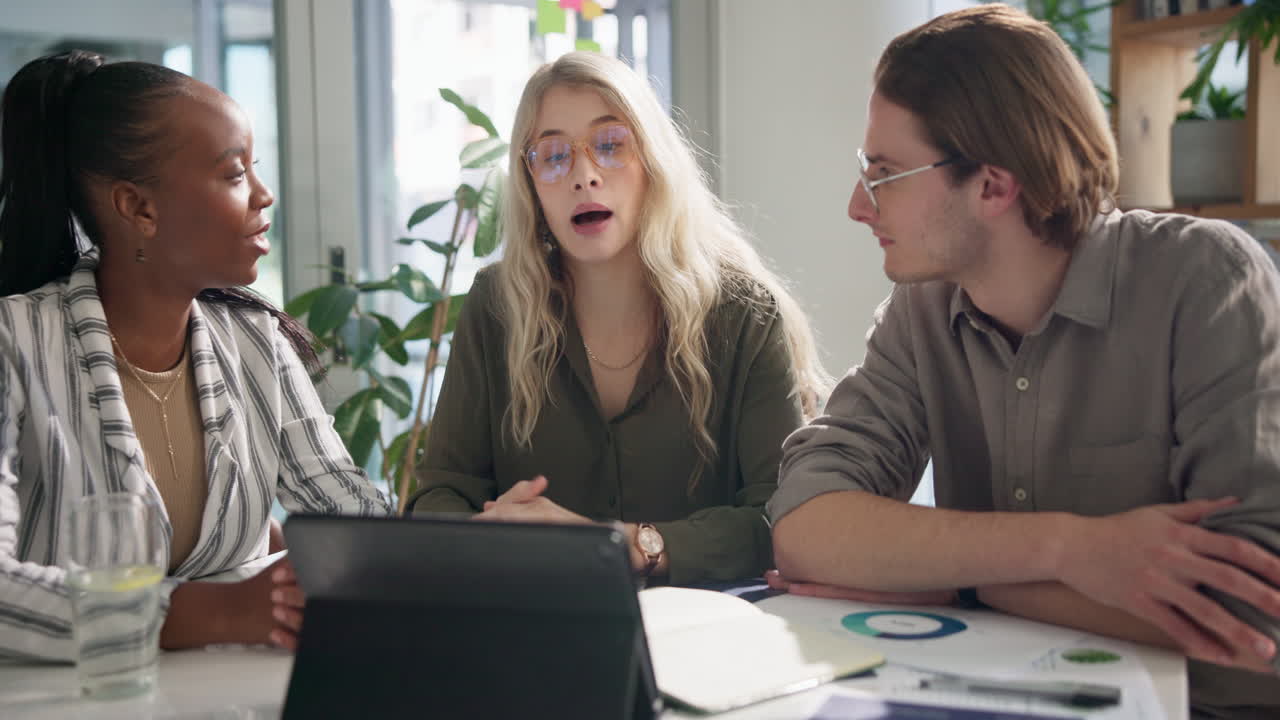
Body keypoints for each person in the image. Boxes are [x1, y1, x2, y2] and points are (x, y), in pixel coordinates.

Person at [767, 5, 1280, 717]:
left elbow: (1252, 615)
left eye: (884, 174)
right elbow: (807, 526)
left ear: (992, 186)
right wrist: (1072, 551)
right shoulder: (923, 311)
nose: (858, 205)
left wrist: (959, 584)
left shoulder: (1207, 281)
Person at [0, 51, 390, 661]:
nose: (264, 196)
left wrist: (460, 546)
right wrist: (218, 612)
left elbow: (356, 520)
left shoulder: (256, 340)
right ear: (137, 207)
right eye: (235, 175)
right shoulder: (14, 341)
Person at [409, 51, 827, 585]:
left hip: (713, 639)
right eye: (554, 156)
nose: (584, 176)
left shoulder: (744, 313)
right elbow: (440, 493)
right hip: (540, 625)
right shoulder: (496, 306)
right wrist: (489, 532)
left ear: (654, 161)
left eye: (610, 146)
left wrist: (624, 545)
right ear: (530, 183)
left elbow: (783, 519)